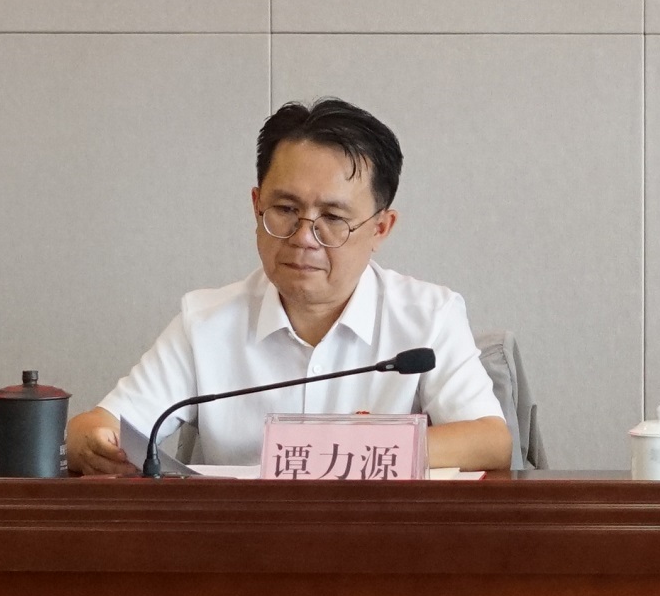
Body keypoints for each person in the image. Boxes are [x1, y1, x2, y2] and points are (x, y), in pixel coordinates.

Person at [69, 99, 514, 473]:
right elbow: (100, 425)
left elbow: (491, 442)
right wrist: (91, 439)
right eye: (285, 209)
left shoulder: (428, 316)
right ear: (256, 205)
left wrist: (361, 447)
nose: (304, 237)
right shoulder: (205, 322)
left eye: (333, 218)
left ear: (381, 228)